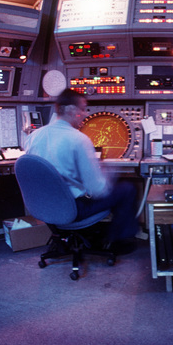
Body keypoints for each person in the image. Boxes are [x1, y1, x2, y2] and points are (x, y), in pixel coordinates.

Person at [24, 88, 138, 246]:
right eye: (83, 109)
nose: (85, 114)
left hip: (43, 208)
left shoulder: (33, 137)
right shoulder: (78, 139)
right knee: (127, 189)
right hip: (73, 209)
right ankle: (117, 241)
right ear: (71, 110)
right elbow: (97, 190)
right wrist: (107, 173)